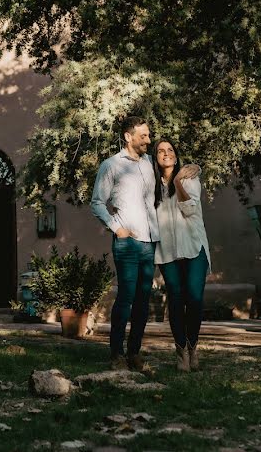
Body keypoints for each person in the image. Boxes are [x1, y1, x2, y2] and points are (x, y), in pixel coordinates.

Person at [91, 117, 198, 372]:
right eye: (144, 136)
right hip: (127, 243)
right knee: (126, 297)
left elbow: (172, 166)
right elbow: (97, 202)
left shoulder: (150, 163)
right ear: (128, 137)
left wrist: (194, 167)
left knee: (142, 301)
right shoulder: (111, 166)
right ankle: (116, 354)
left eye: (149, 136)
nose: (149, 141)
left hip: (150, 242)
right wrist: (117, 228)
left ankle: (134, 354)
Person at [152, 138, 211, 372]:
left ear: (176, 155)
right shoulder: (151, 184)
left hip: (194, 246)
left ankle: (193, 347)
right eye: (160, 151)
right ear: (155, 157)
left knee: (194, 300)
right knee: (176, 300)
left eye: (170, 150)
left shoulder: (189, 178)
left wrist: (177, 181)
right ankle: (180, 351)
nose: (165, 153)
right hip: (167, 251)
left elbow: (189, 209)